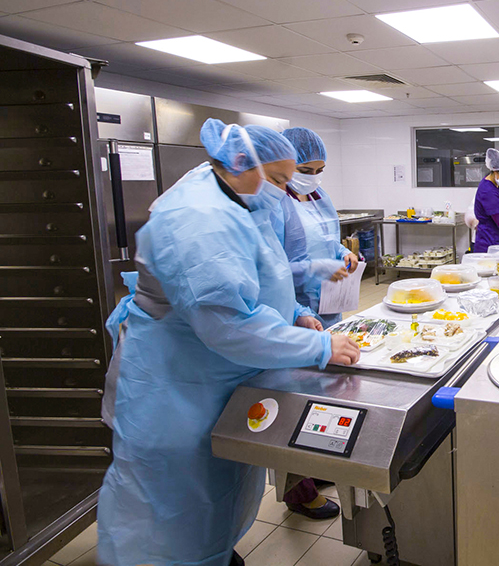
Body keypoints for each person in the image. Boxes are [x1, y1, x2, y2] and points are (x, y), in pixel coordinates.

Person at [97, 119, 361, 566]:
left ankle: (215, 552)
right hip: (175, 387)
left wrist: (294, 313)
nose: (283, 189)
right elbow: (228, 324)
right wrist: (319, 349)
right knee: (171, 511)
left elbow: (264, 272)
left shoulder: (242, 196)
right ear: (239, 163)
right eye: (278, 179)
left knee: (219, 494)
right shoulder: (198, 219)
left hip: (216, 377)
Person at [280, 127, 360, 330]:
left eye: (320, 171)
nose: (313, 177)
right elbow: (270, 268)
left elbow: (327, 238)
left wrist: (343, 252)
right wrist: (316, 269)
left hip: (330, 298)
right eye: (305, 171)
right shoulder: (276, 203)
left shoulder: (319, 196)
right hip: (294, 305)